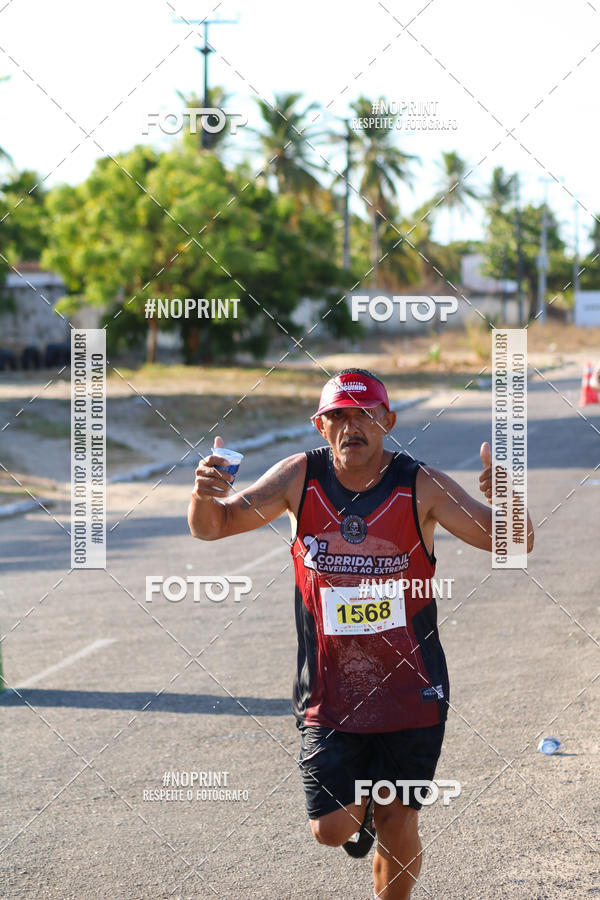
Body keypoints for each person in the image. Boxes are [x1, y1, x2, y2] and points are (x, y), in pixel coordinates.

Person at [188, 368, 534, 900]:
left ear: (387, 422)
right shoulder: (297, 478)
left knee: (400, 822)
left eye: (365, 414)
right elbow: (212, 526)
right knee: (332, 830)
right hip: (330, 691)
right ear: (321, 426)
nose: (353, 426)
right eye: (339, 416)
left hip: (411, 689)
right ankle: (362, 811)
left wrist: (509, 496)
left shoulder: (421, 486)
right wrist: (205, 493)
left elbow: (515, 542)